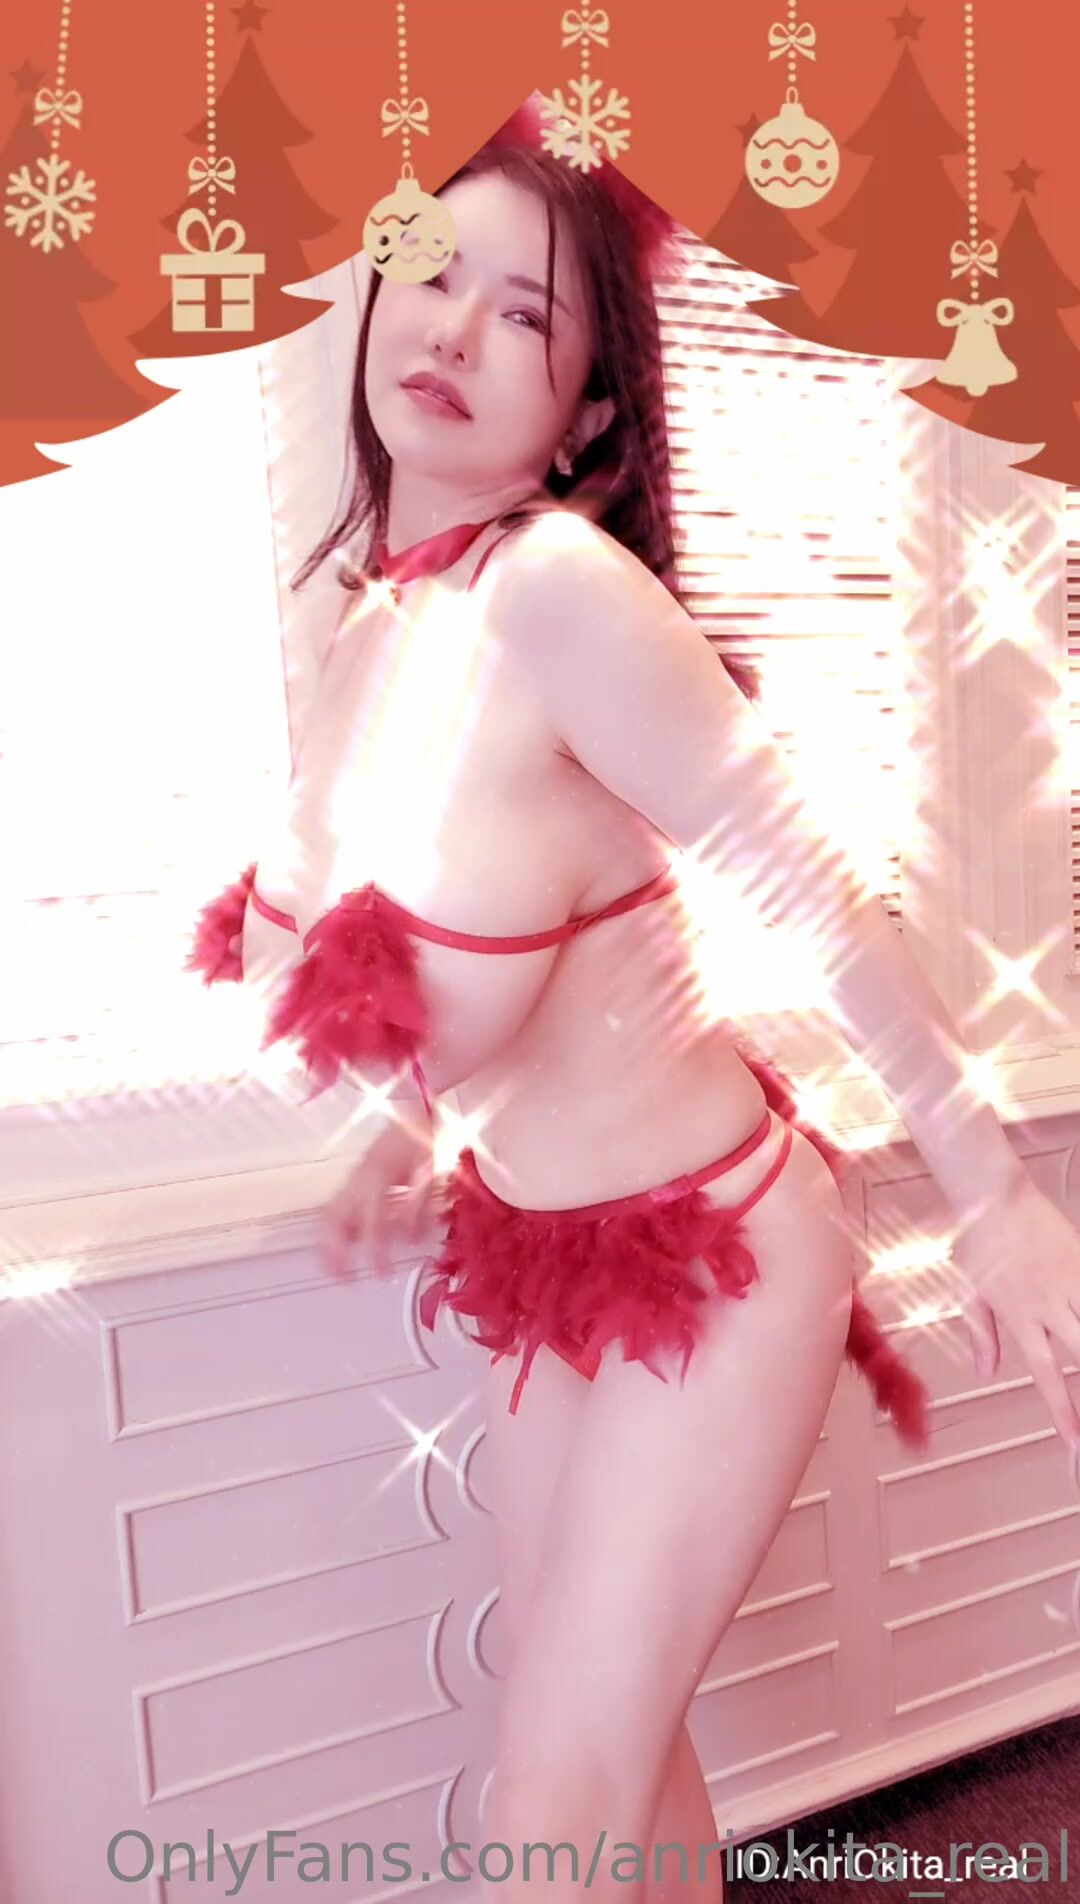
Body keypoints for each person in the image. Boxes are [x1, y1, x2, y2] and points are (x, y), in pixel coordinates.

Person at [187, 97, 1080, 1904]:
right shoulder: (373, 630)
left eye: (525, 311)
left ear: (590, 411)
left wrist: (993, 1192)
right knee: (610, 1749)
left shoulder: (562, 594)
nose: (452, 328)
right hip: (543, 1253)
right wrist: (408, 1126)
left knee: (555, 1794)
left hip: (724, 1249)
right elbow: (444, 933)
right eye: (430, 270)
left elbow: (810, 889)